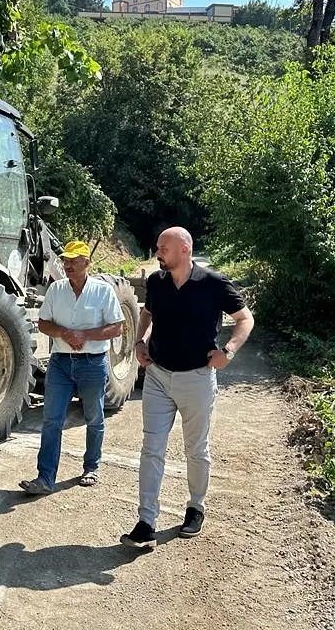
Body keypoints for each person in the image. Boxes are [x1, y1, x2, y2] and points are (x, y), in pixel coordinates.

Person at [121, 226, 254, 548]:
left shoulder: (213, 284)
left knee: (196, 449)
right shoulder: (156, 281)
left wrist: (229, 352)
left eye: (163, 248)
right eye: (157, 248)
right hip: (157, 376)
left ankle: (195, 507)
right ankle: (146, 522)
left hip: (196, 378)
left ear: (184, 249)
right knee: (152, 448)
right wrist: (140, 342)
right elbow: (148, 312)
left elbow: (245, 318)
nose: (157, 253)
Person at [19, 240, 124, 495]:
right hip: (60, 364)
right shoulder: (56, 290)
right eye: (65, 260)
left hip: (93, 364)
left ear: (87, 263)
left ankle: (91, 467)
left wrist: (84, 335)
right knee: (51, 420)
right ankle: (45, 478)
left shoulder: (103, 291)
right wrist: (65, 333)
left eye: (74, 261)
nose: (67, 265)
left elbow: (117, 327)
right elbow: (43, 323)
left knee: (94, 417)